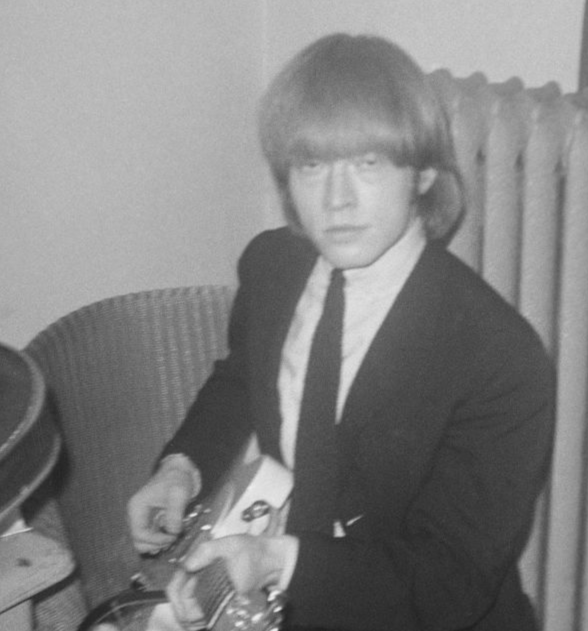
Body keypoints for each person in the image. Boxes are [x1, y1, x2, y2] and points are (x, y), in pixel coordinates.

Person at [127, 32, 555, 631]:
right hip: (276, 582)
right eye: (313, 165)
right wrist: (182, 467)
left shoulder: (499, 357)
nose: (337, 200)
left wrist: (277, 562)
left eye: (368, 164)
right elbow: (242, 378)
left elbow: (447, 584)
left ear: (425, 172)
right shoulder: (273, 265)